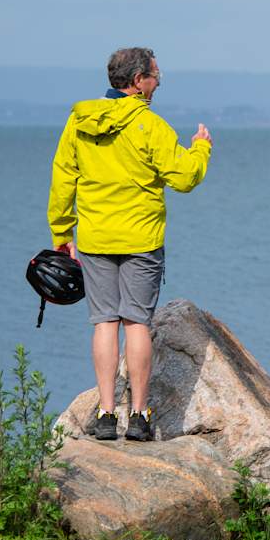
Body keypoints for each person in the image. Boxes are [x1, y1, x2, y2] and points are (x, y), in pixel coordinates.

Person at [48, 47, 212, 442]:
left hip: (94, 237)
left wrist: (61, 235)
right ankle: (139, 414)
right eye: (155, 77)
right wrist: (202, 147)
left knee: (104, 322)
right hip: (140, 237)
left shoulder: (79, 121)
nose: (158, 85)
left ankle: (105, 413)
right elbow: (186, 177)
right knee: (137, 322)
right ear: (137, 82)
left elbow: (62, 179)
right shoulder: (150, 126)